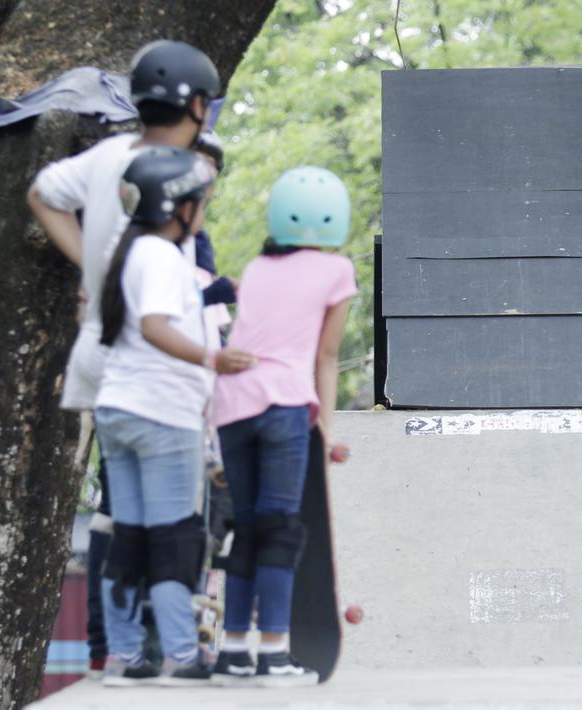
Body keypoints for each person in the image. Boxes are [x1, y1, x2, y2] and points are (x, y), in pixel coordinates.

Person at [26, 40, 249, 676]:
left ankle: (124, 650)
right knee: (175, 525)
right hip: (159, 370)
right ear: (200, 105)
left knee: (121, 520)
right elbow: (165, 314)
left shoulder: (108, 159)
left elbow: (42, 193)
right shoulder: (178, 177)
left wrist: (95, 269)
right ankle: (178, 649)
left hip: (106, 354)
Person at [209, 167, 357, 687]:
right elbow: (327, 354)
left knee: (248, 529)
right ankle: (273, 654)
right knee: (280, 531)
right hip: (282, 404)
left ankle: (232, 653)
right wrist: (328, 429)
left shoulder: (256, 268)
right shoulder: (338, 270)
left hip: (231, 405)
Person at [92, 147, 218, 685]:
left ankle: (125, 655)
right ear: (178, 206)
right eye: (201, 202)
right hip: (162, 413)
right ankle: (183, 656)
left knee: (130, 538)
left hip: (119, 408)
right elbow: (156, 325)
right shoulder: (164, 257)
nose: (204, 211)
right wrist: (218, 358)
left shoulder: (126, 251)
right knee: (172, 539)